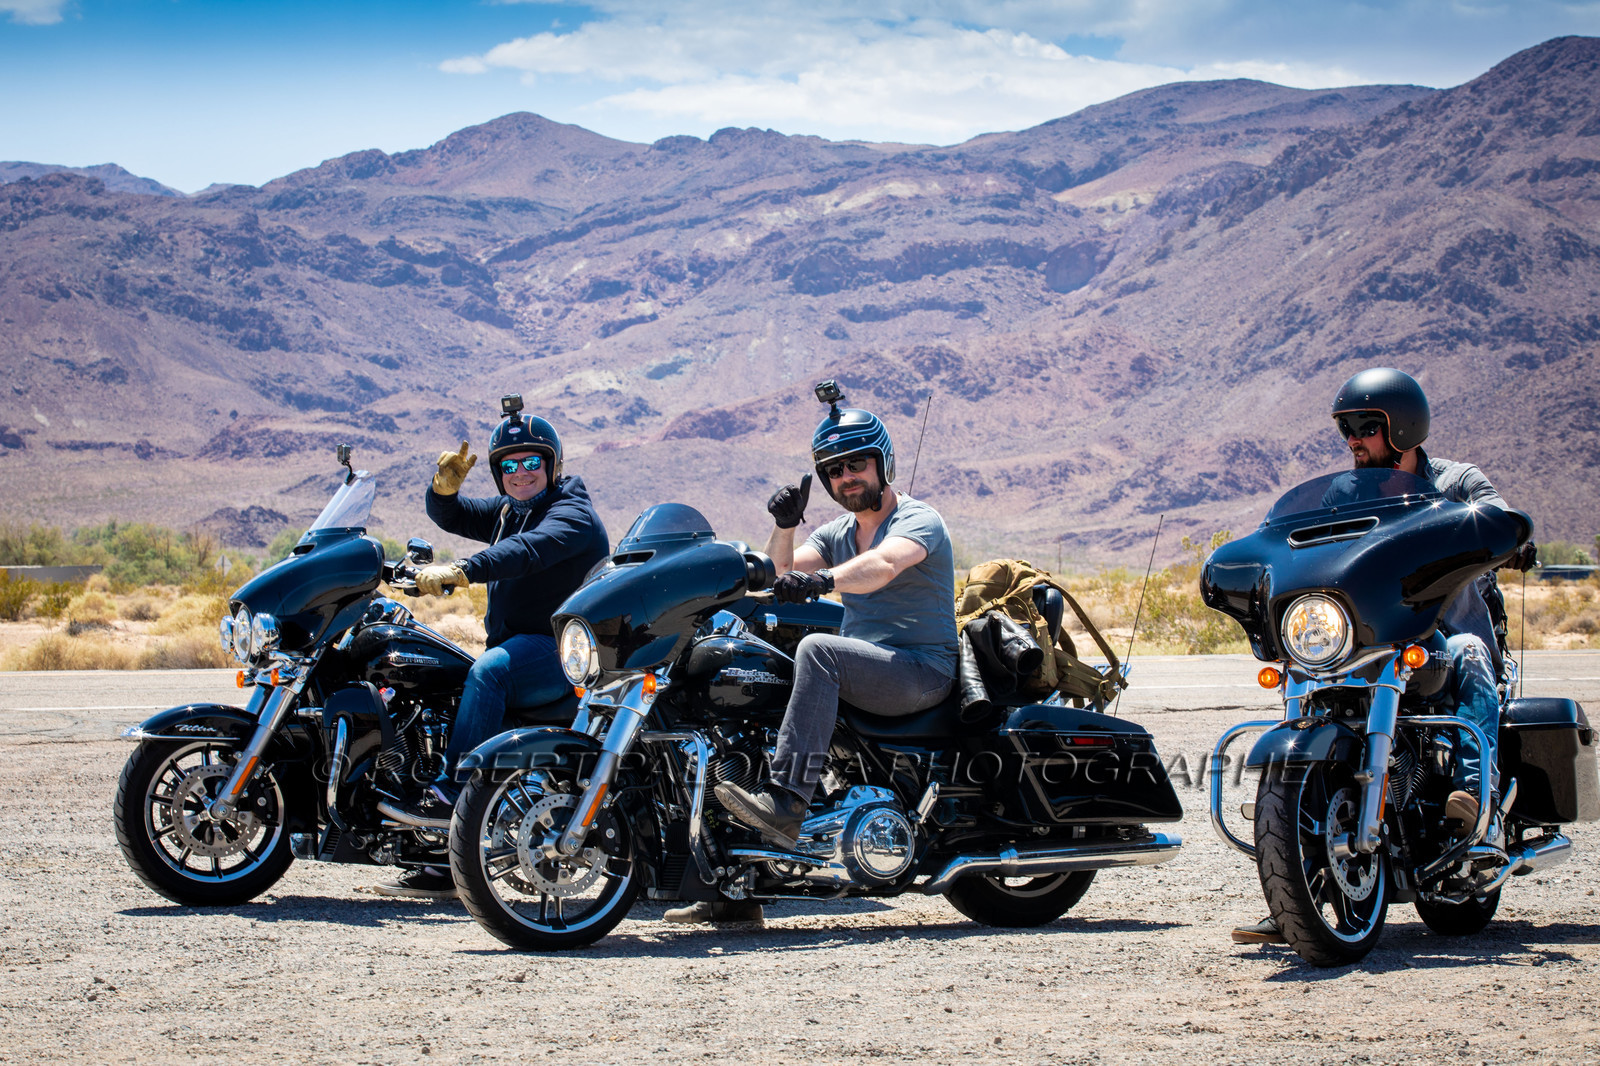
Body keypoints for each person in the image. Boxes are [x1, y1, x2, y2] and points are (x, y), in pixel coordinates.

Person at [1232, 367, 1537, 944]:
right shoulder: (1342, 496)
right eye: (1347, 428)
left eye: (1366, 427)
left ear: (1403, 427)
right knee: (1306, 684)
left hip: (1440, 636)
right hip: (1368, 638)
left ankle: (1477, 808)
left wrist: (1512, 541)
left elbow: (1497, 520)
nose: (1354, 439)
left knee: (1471, 654)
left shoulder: (1456, 481)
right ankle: (1295, 892)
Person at [667, 384, 958, 925]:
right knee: (747, 682)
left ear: (882, 462)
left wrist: (822, 580)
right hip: (868, 669)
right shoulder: (835, 530)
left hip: (922, 669)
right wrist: (783, 526)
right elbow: (775, 574)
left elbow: (884, 566)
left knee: (817, 649)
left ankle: (789, 803)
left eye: (856, 464)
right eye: (834, 470)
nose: (847, 477)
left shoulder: (918, 519)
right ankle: (734, 889)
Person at [376, 397, 610, 899]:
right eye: (509, 464)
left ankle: (454, 795)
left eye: (531, 462)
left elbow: (527, 552)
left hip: (564, 653)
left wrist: (463, 570)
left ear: (552, 464)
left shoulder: (572, 511)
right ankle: (449, 857)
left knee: (489, 672)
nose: (521, 472)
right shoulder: (510, 510)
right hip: (523, 646)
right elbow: (456, 515)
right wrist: (442, 492)